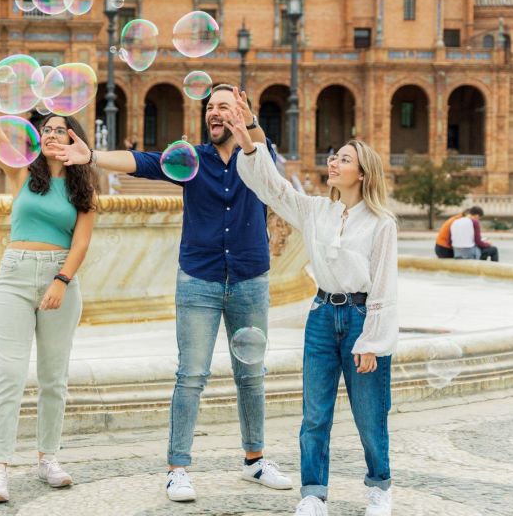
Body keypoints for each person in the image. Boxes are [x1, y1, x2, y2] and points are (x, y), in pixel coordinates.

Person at [52, 84, 292, 502]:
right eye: (211, 107)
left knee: (251, 373)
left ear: (241, 112)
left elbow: (264, 153)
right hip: (199, 278)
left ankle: (255, 460)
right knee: (191, 375)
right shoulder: (192, 159)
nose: (215, 113)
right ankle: (177, 468)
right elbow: (141, 162)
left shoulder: (258, 155)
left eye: (225, 107)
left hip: (250, 278)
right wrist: (92, 155)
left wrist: (247, 122)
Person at [224, 89, 398, 516]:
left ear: (361, 173)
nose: (333, 163)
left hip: (361, 319)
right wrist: (249, 137)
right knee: (314, 414)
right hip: (322, 315)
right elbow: (272, 188)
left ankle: (379, 488)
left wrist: (372, 340)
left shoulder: (381, 223)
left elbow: (384, 285)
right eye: (333, 157)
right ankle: (313, 493)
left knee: (370, 415)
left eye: (342, 159)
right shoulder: (316, 210)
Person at [0, 46, 98, 503]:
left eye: (60, 131)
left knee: (53, 376)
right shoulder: (23, 174)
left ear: (74, 141)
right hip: (13, 275)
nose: (51, 135)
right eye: (45, 129)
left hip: (59, 279)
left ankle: (48, 456)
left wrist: (60, 282)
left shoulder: (84, 185)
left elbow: (82, 241)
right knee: (8, 372)